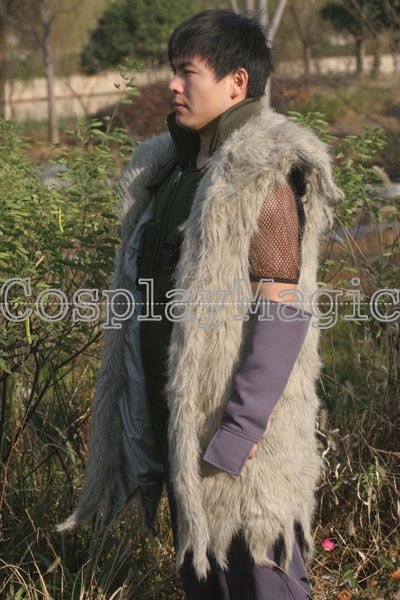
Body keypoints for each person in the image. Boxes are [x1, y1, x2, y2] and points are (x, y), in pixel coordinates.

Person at [56, 9, 344, 599]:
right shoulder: (170, 173)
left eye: (187, 71)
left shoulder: (261, 169)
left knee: (261, 580)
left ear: (237, 82)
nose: (173, 84)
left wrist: (241, 428)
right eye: (173, 70)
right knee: (204, 582)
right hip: (184, 435)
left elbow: (280, 306)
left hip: (243, 444)